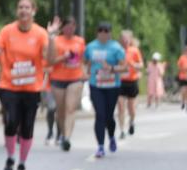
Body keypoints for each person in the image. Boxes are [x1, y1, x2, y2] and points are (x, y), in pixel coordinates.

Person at [0, 0, 51, 170]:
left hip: (31, 87)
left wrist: (52, 38)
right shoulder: (7, 31)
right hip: (9, 85)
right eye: (20, 7)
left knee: (27, 127)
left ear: (33, 11)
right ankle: (10, 157)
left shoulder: (40, 34)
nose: (23, 10)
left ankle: (22, 163)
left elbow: (50, 58)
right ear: (17, 11)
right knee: (11, 121)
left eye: (27, 7)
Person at [82, 21, 127, 158]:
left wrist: (111, 68)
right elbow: (84, 62)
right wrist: (86, 73)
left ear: (110, 33)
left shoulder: (116, 48)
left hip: (112, 86)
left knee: (109, 116)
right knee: (99, 115)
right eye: (101, 30)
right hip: (96, 85)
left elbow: (124, 68)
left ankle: (112, 136)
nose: (103, 33)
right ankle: (100, 146)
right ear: (97, 32)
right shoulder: (91, 47)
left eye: (106, 31)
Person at [44, 15, 85, 151]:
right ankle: (62, 133)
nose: (70, 28)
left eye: (73, 26)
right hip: (58, 79)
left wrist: (85, 73)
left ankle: (67, 138)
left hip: (75, 78)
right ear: (63, 28)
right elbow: (50, 61)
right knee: (60, 111)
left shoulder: (80, 41)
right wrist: (63, 57)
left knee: (70, 108)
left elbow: (83, 60)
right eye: (67, 26)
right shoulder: (56, 41)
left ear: (75, 27)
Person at [116, 31, 143, 137]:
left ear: (130, 40)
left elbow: (141, 65)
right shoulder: (117, 51)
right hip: (120, 81)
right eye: (123, 39)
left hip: (132, 81)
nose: (125, 41)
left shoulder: (134, 50)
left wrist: (133, 65)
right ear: (120, 40)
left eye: (127, 39)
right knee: (120, 106)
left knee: (131, 107)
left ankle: (131, 121)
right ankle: (122, 130)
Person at [176, 43, 187, 111]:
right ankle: (183, 101)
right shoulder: (182, 57)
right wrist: (184, 69)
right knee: (183, 91)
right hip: (183, 77)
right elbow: (179, 66)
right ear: (186, 50)